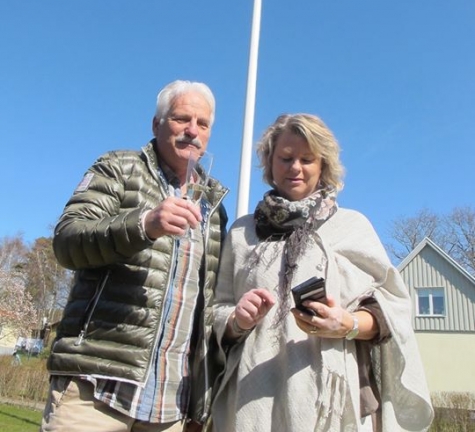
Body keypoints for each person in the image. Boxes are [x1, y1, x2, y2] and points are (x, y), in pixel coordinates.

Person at [211, 113, 433, 432]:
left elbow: (391, 313)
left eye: (307, 159)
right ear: (269, 162)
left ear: (323, 166)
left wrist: (348, 324)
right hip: (250, 398)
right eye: (286, 157)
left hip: (331, 405)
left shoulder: (352, 227)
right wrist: (236, 320)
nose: (295, 167)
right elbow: (216, 311)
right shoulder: (241, 233)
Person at [41, 80, 229, 432]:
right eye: (181, 119)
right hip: (95, 388)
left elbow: (204, 310)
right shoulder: (119, 168)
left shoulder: (213, 206)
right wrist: (144, 224)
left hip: (170, 404)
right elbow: (67, 241)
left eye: (202, 124)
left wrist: (198, 404)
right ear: (156, 124)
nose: (192, 131)